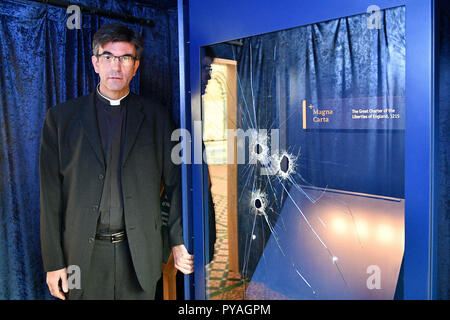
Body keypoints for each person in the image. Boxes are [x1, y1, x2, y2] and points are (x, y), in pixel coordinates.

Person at [39, 22, 193, 300]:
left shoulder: (157, 117)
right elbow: (49, 197)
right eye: (108, 57)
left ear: (136, 66)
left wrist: (178, 240)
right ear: (95, 63)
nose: (116, 66)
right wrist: (53, 263)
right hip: (81, 258)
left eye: (125, 58)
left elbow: (177, 182)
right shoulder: (61, 119)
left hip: (138, 256)